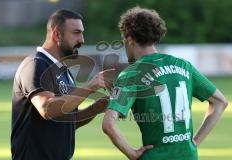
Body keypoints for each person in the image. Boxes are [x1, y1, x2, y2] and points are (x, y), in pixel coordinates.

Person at [102, 6, 228, 160]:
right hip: (188, 155)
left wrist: (132, 154)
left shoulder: (131, 74)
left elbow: (108, 124)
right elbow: (220, 102)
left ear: (130, 39)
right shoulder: (183, 66)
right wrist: (194, 142)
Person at [11, 9, 114, 160]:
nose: (82, 39)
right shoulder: (35, 65)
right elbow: (47, 109)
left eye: (82, 33)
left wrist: (96, 108)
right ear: (57, 34)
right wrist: (89, 87)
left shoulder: (64, 72)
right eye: (76, 33)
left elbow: (67, 123)